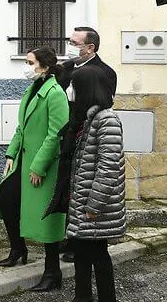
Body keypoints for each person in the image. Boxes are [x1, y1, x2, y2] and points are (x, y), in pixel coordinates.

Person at [0, 47, 69, 292]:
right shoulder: (32, 89)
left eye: (29, 62)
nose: (26, 66)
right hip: (24, 161)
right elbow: (20, 129)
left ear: (44, 67)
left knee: (48, 219)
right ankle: (18, 249)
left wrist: (38, 167)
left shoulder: (55, 93)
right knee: (6, 198)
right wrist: (11, 153)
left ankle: (52, 272)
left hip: (43, 165)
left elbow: (56, 135)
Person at [66, 66, 126, 302]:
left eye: (75, 87)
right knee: (82, 252)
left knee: (98, 254)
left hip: (95, 206)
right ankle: (82, 297)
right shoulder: (90, 117)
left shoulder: (106, 119)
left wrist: (93, 206)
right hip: (85, 202)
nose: (72, 91)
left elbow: (108, 168)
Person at [58, 26, 117, 263]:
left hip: (87, 135)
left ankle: (82, 242)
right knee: (68, 186)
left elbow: (102, 104)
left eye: (75, 43)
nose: (70, 46)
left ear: (90, 47)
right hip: (68, 131)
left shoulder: (105, 72)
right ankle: (70, 234)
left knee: (84, 188)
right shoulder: (69, 68)